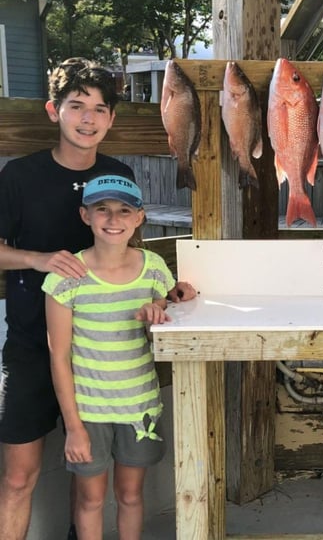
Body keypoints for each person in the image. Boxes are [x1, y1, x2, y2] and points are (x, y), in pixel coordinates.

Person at [0, 58, 194, 540]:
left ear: (111, 119)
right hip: (31, 345)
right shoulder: (20, 176)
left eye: (99, 109)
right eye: (76, 106)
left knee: (87, 482)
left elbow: (131, 254)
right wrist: (38, 259)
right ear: (54, 111)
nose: (87, 119)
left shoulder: (116, 172)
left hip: (104, 359)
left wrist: (168, 293)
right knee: (19, 476)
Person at [43, 175, 173, 540]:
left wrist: (159, 306)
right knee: (90, 500)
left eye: (123, 211)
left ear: (139, 217)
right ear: (86, 216)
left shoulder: (153, 268)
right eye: (103, 210)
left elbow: (169, 302)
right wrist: (73, 427)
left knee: (131, 495)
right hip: (88, 412)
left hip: (139, 408)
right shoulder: (66, 278)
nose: (113, 220)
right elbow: (59, 356)